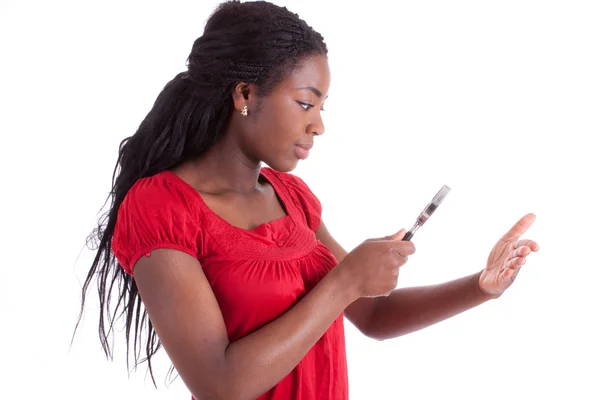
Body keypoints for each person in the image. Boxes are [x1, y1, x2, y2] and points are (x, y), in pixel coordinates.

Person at [75, 1, 539, 399]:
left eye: (322, 107)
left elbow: (373, 314)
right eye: (304, 103)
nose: (318, 125)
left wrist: (481, 286)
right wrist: (345, 281)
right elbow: (221, 385)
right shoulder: (162, 208)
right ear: (244, 95)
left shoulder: (292, 199)